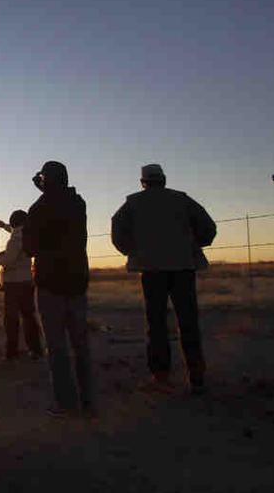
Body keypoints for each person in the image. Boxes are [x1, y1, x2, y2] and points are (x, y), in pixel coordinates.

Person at [111, 164, 216, 394]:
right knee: (188, 321)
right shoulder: (182, 200)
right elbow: (208, 227)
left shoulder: (133, 203)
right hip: (183, 268)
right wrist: (193, 245)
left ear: (143, 182)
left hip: (151, 270)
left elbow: (117, 230)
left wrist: (132, 251)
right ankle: (196, 376)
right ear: (164, 179)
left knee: (156, 323)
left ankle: (160, 376)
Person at [22, 160, 92, 417]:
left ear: (45, 180)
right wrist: (45, 189)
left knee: (57, 347)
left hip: (50, 282)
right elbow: (60, 202)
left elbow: (29, 248)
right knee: (80, 344)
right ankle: (88, 402)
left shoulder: (38, 209)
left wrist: (42, 192)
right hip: (77, 279)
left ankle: (65, 404)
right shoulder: (78, 203)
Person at [0, 210, 43, 361]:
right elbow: (15, 231)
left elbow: (9, 260)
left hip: (14, 284)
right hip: (27, 281)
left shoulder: (15, 239)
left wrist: (0, 259)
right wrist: (3, 226)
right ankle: (35, 349)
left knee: (11, 319)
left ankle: (12, 352)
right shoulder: (27, 235)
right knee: (28, 316)